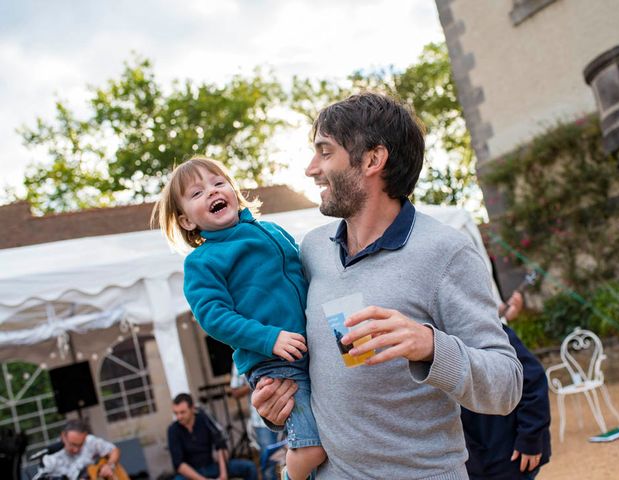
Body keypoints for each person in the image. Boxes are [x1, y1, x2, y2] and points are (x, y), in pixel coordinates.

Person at [252, 91, 524, 479]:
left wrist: (430, 346)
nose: (311, 169)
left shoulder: (445, 252)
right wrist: (276, 406)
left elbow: (507, 385)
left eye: (325, 152)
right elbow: (317, 368)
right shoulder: (312, 250)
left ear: (373, 160)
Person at [154, 156, 326, 480]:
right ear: (187, 221)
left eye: (219, 183)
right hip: (274, 362)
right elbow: (213, 316)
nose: (212, 192)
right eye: (197, 193)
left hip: (313, 347)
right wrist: (268, 338)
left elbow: (306, 272)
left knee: (334, 433)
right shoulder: (202, 262)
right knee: (313, 447)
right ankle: (289, 475)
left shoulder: (271, 230)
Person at [461, 290, 551, 479]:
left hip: (510, 452)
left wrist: (530, 438)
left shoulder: (489, 330)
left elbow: (533, 381)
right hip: (472, 461)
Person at [167, 393, 258, 480]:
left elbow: (220, 445)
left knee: (249, 467)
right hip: (190, 473)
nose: (179, 417)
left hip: (211, 467)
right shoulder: (173, 430)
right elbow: (179, 465)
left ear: (192, 408)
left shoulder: (204, 419)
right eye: (176, 413)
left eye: (182, 412)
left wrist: (223, 474)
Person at [230, 364, 281, 480]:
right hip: (261, 421)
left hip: (288, 412)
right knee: (269, 462)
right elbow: (235, 392)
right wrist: (254, 381)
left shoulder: (278, 347)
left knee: (295, 454)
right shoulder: (240, 356)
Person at [35, 419, 120, 480]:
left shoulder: (90, 441)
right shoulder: (51, 458)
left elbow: (114, 450)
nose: (76, 450)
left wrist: (110, 466)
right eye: (72, 444)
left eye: (80, 445)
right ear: (63, 436)